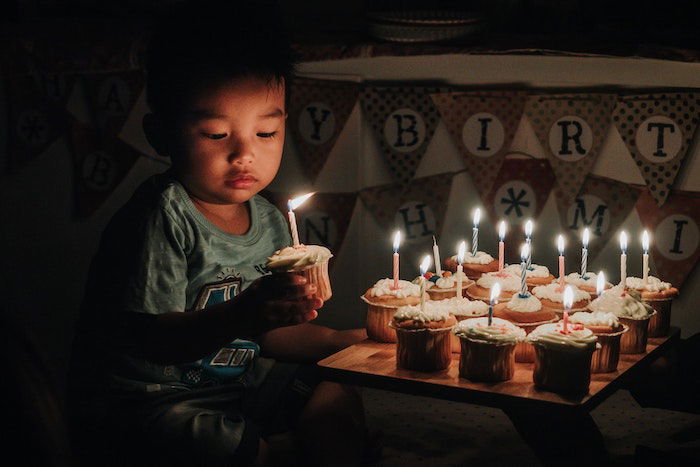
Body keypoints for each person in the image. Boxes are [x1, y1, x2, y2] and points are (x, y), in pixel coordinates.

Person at [67, 3, 371, 466]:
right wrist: (245, 314)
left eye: (266, 132)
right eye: (215, 134)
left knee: (332, 387)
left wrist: (339, 341)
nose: (244, 154)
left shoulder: (269, 220)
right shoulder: (164, 217)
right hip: (149, 403)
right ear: (160, 134)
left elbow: (272, 337)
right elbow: (154, 341)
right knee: (236, 451)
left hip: (235, 389)